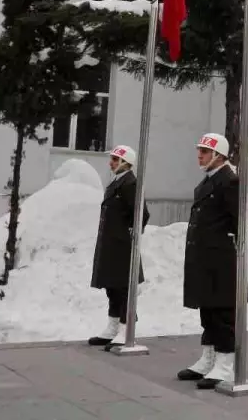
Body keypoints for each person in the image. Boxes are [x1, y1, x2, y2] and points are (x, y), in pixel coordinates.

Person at [177, 132, 248, 389]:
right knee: (207, 311)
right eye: (199, 151)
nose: (200, 155)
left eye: (205, 152)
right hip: (206, 258)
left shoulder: (229, 181)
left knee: (222, 313)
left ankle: (225, 362)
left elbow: (243, 219)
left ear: (219, 155)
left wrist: (224, 241)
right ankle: (208, 358)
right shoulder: (209, 180)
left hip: (221, 260)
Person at [87, 144, 150, 349]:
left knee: (124, 289)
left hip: (123, 245)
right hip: (112, 244)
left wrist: (132, 232)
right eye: (112, 159)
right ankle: (112, 326)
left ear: (125, 162)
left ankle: (125, 328)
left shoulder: (130, 184)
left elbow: (142, 213)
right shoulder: (116, 183)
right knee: (112, 288)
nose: (111, 163)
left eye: (115, 159)